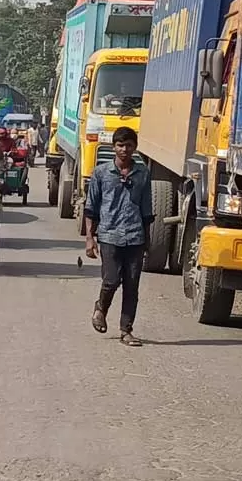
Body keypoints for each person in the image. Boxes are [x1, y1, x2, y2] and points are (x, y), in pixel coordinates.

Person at [83, 125, 153, 347]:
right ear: (114, 147)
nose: (124, 149)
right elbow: (91, 207)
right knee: (111, 280)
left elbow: (147, 210)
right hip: (109, 236)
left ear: (135, 148)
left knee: (132, 286)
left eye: (129, 145)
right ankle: (101, 308)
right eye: (120, 145)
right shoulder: (101, 173)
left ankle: (126, 330)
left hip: (135, 237)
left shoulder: (142, 174)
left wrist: (148, 242)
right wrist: (89, 238)